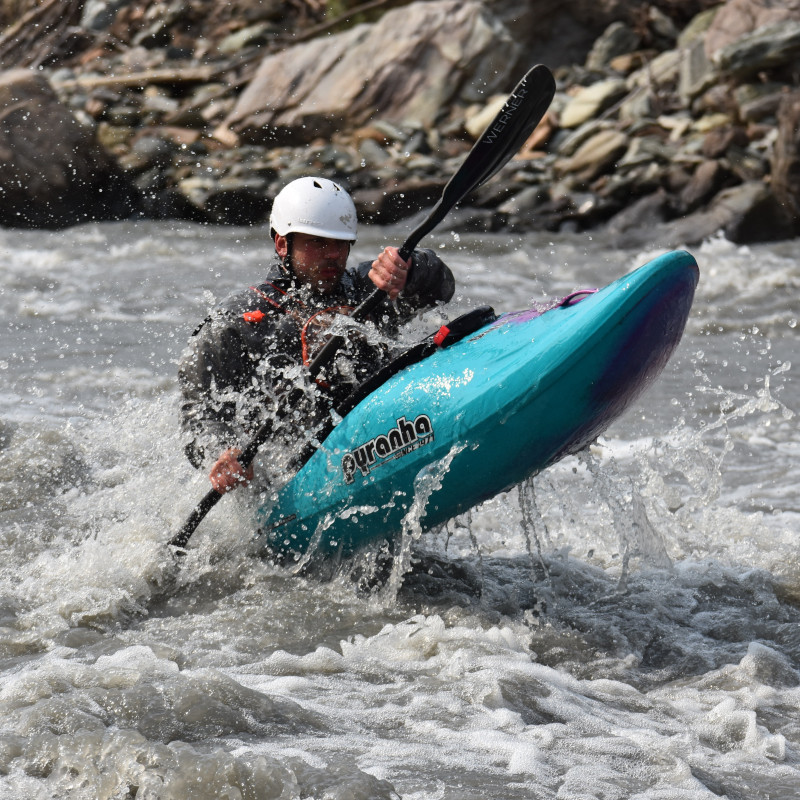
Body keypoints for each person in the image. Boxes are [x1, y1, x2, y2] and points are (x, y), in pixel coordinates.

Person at [179, 176, 455, 494]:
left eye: (340, 243)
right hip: (292, 479)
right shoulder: (235, 323)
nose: (333, 254)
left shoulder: (372, 288)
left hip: (387, 443)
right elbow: (199, 413)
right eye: (318, 242)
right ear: (282, 243)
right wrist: (222, 451)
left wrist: (411, 269)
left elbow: (441, 286)